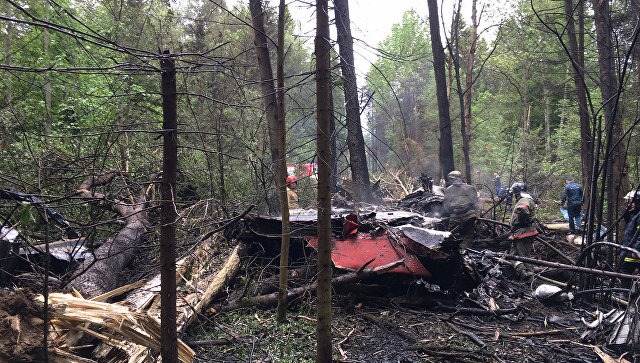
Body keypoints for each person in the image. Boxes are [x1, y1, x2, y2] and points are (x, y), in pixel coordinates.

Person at [443, 170, 478, 248]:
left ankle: (453, 249)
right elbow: (475, 201)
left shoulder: (448, 190)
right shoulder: (471, 188)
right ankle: (465, 249)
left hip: (455, 215)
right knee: (468, 234)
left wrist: (451, 211)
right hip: (470, 214)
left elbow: (446, 204)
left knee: (450, 234)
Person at [509, 182, 538, 276]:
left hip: (523, 231)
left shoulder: (524, 200)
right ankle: (523, 273)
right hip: (518, 232)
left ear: (517, 192)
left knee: (524, 257)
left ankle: (530, 276)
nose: (514, 195)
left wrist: (521, 221)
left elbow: (523, 210)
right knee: (512, 256)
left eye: (514, 193)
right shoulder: (526, 199)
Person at [620, 210, 640, 289]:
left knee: (626, 271)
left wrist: (637, 249)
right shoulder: (635, 214)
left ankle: (625, 294)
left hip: (633, 251)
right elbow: (628, 219)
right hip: (630, 249)